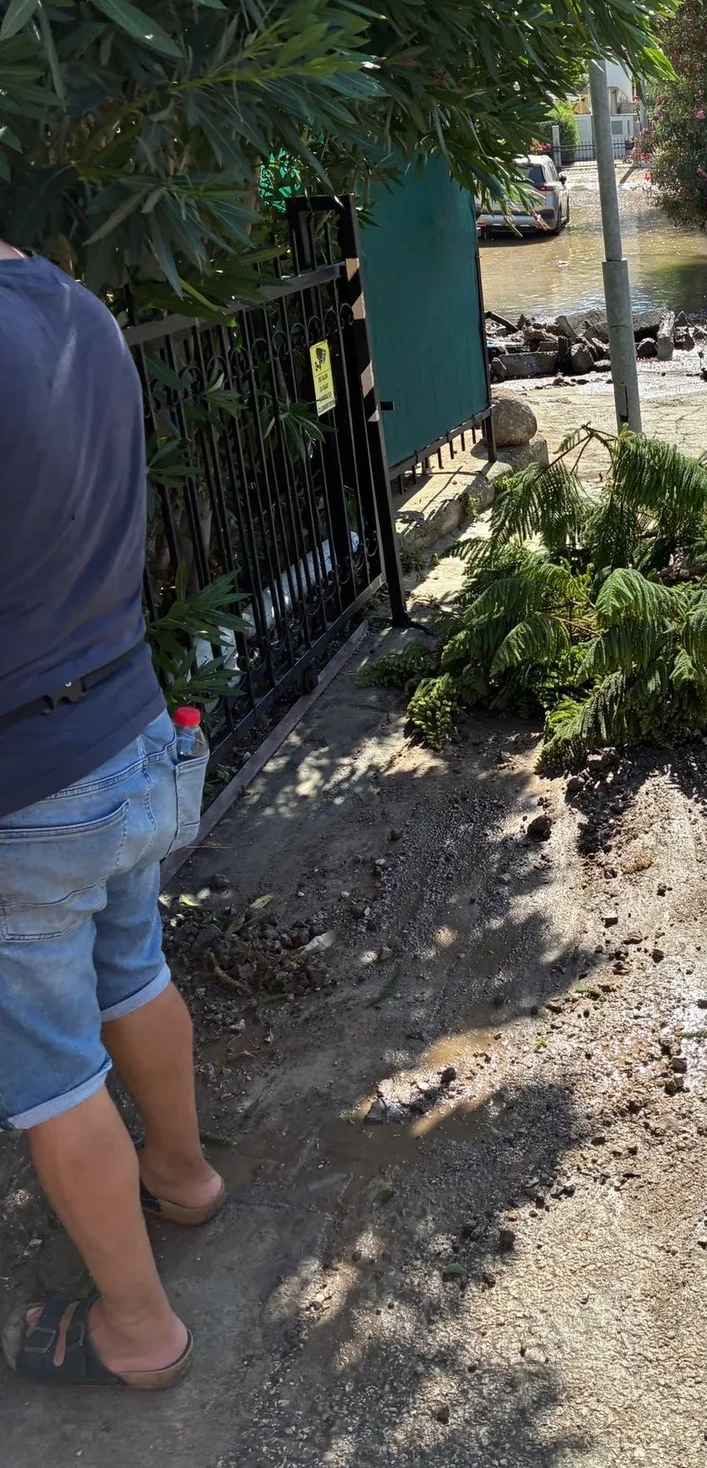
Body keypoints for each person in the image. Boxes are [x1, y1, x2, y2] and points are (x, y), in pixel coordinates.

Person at [0, 237, 222, 1392]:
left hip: (23, 778)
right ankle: (183, 1175)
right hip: (127, 725)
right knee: (135, 969)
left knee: (53, 1077)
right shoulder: (80, 309)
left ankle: (135, 1330)